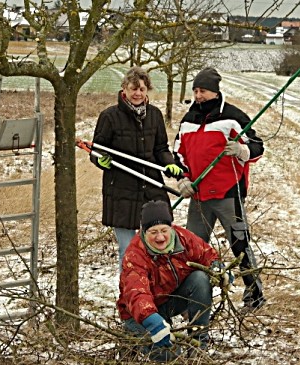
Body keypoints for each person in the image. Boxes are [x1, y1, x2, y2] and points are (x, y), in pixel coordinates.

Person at [173, 67, 266, 312]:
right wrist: (182, 178)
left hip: (228, 193)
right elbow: (177, 154)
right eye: (195, 90)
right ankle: (191, 296)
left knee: (239, 243)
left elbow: (257, 144)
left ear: (214, 91)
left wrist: (242, 151)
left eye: (202, 90)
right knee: (192, 249)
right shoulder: (188, 120)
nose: (198, 95)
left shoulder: (232, 117)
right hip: (199, 195)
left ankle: (254, 293)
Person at [90, 66, 182, 271]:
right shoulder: (109, 116)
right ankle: (129, 295)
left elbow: (160, 147)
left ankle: (155, 291)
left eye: (141, 89)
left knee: (158, 245)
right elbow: (97, 149)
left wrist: (169, 163)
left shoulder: (155, 115)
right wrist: (100, 159)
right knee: (127, 250)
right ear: (124, 89)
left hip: (150, 186)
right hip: (121, 190)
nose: (138, 93)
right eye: (133, 89)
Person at [117, 200, 222, 361]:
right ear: (144, 232)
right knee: (171, 357)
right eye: (153, 232)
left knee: (200, 279)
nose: (160, 237)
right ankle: (133, 335)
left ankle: (198, 345)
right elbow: (136, 293)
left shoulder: (182, 237)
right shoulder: (135, 255)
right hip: (140, 315)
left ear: (171, 228)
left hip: (168, 301)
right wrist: (152, 321)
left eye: (164, 230)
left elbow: (207, 254)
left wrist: (218, 270)